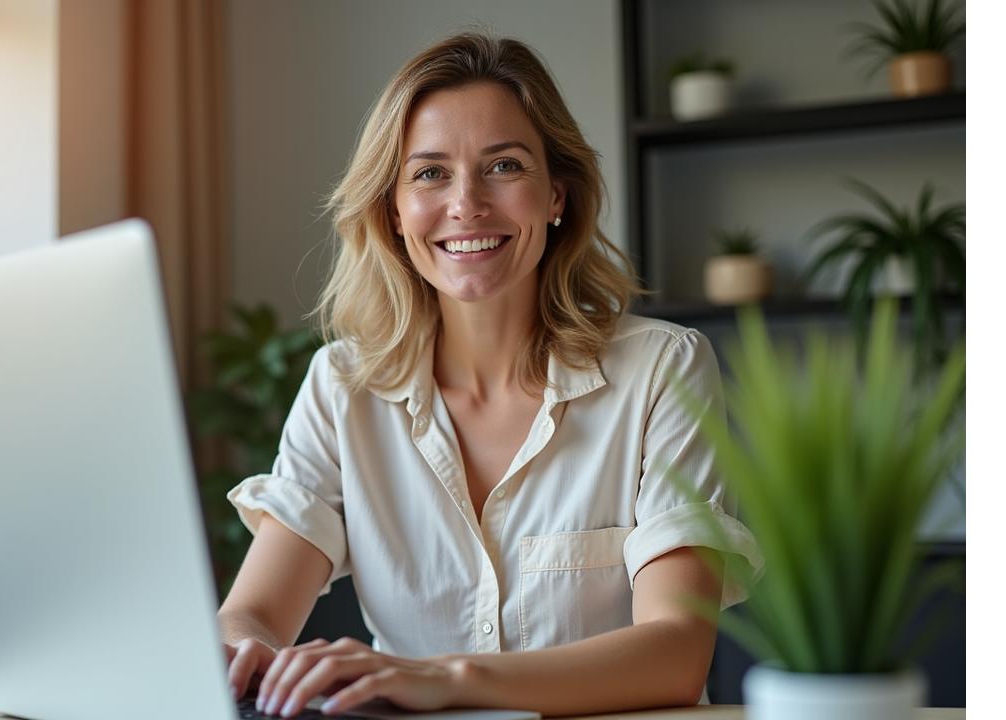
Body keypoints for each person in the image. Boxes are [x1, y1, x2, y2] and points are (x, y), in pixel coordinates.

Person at [216, 32, 762, 718]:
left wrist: (446, 678)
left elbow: (676, 651)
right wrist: (241, 653)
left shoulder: (662, 370)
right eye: (429, 173)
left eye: (503, 166)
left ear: (556, 194)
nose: (466, 203)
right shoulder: (341, 388)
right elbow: (252, 616)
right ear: (393, 210)